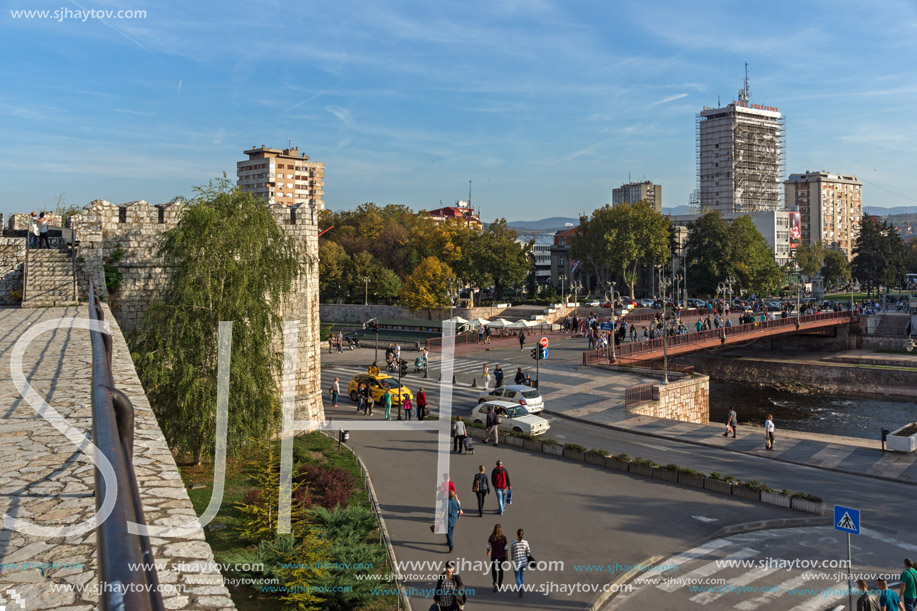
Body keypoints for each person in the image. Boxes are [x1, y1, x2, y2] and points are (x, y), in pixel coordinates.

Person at [486, 524, 508, 592]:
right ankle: (499, 585)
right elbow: (506, 549)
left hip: (494, 557)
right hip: (501, 557)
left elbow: (488, 546)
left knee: (494, 570)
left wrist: (488, 552)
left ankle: (495, 582)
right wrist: (507, 556)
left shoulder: (491, 537)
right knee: (501, 571)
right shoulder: (503, 538)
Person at [511, 528, 531, 598]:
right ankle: (521, 586)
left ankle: (520, 588)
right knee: (522, 575)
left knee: (517, 576)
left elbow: (512, 552)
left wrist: (512, 557)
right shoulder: (526, 542)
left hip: (517, 562)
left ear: (517, 534)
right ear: (523, 534)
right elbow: (528, 553)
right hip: (524, 561)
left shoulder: (513, 543)